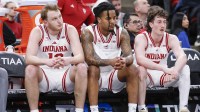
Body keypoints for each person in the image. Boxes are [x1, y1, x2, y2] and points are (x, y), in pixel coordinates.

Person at [25, 4, 87, 112]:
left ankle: (79, 110)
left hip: (65, 73)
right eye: (54, 19)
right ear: (45, 22)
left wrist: (68, 60)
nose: (59, 21)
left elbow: (80, 56)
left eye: (60, 17)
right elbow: (28, 58)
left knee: (82, 67)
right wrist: (46, 61)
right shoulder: (37, 31)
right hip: (45, 74)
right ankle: (34, 110)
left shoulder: (70, 29)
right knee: (30, 69)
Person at [81, 2, 139, 112]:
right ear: (98, 19)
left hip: (114, 74)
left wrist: (124, 60)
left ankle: (132, 109)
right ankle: (94, 110)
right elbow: (89, 59)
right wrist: (109, 61)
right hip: (94, 77)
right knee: (93, 68)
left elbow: (130, 56)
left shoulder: (122, 32)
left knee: (132, 68)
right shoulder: (88, 32)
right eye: (108, 18)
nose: (113, 21)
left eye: (115, 18)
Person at [134, 6, 190, 112]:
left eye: (164, 22)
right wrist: (163, 69)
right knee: (141, 69)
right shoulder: (141, 38)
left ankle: (183, 107)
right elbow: (140, 59)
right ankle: (141, 107)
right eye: (159, 22)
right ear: (151, 24)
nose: (163, 25)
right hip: (146, 77)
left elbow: (182, 57)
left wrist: (174, 71)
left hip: (164, 76)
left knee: (185, 68)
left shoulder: (171, 38)